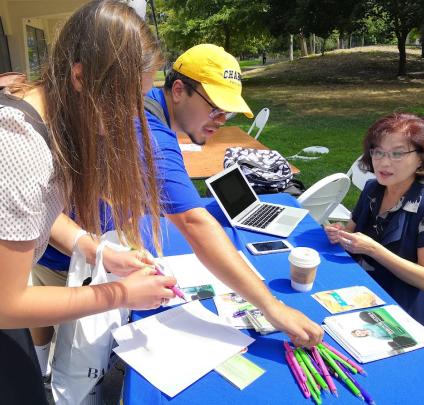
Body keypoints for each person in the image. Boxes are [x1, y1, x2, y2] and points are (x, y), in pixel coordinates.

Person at [0, 2, 176, 404]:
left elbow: (26, 211)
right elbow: (3, 305)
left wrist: (95, 251)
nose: (130, 117)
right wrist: (123, 294)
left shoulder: (38, 103)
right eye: (125, 100)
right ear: (81, 77)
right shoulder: (16, 145)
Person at [32, 44, 323, 367]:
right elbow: (194, 223)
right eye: (214, 107)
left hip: (75, 237)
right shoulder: (150, 134)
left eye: (228, 112)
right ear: (179, 90)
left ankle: (39, 363)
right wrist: (274, 308)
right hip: (69, 254)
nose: (221, 120)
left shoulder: (153, 112)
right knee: (79, 360)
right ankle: (42, 369)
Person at [324, 112, 424, 352]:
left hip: (404, 316)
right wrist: (340, 234)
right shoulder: (373, 189)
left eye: (397, 153)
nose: (384, 163)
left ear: (421, 158)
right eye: (378, 152)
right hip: (360, 292)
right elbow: (352, 231)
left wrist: (374, 250)